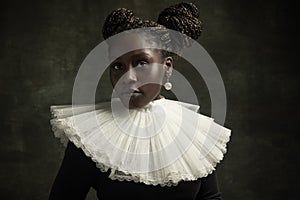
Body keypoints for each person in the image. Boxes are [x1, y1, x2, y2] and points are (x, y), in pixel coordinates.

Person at [48, 2, 231, 200]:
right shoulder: (89, 135)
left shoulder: (194, 131)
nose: (128, 77)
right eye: (117, 66)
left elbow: (210, 198)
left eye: (141, 63)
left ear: (167, 67)